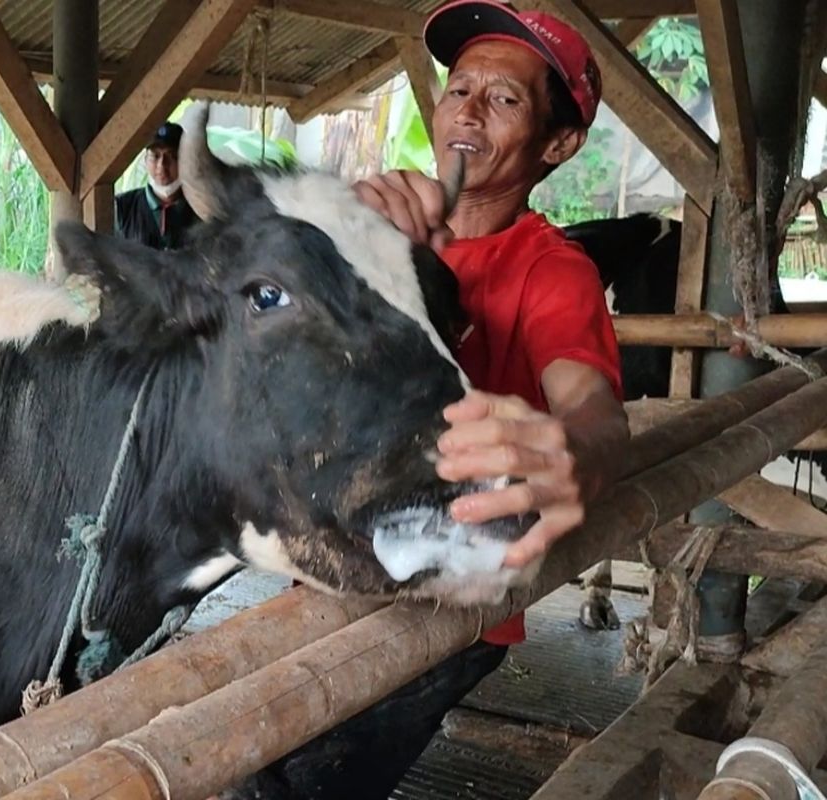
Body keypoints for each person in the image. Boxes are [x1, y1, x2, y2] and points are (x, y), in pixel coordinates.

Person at [222, 2, 630, 798]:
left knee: (294, 788)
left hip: (449, 593)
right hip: (333, 568)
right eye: (459, 87)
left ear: (558, 144)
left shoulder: (552, 269)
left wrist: (577, 455)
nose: (469, 109)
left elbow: (594, 416)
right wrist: (340, 229)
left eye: (506, 99)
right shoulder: (369, 233)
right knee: (244, 763)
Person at [114, 122, 202, 250]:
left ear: (185, 161)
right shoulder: (121, 209)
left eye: (172, 156)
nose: (162, 165)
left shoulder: (200, 210)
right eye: (155, 156)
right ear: (145, 161)